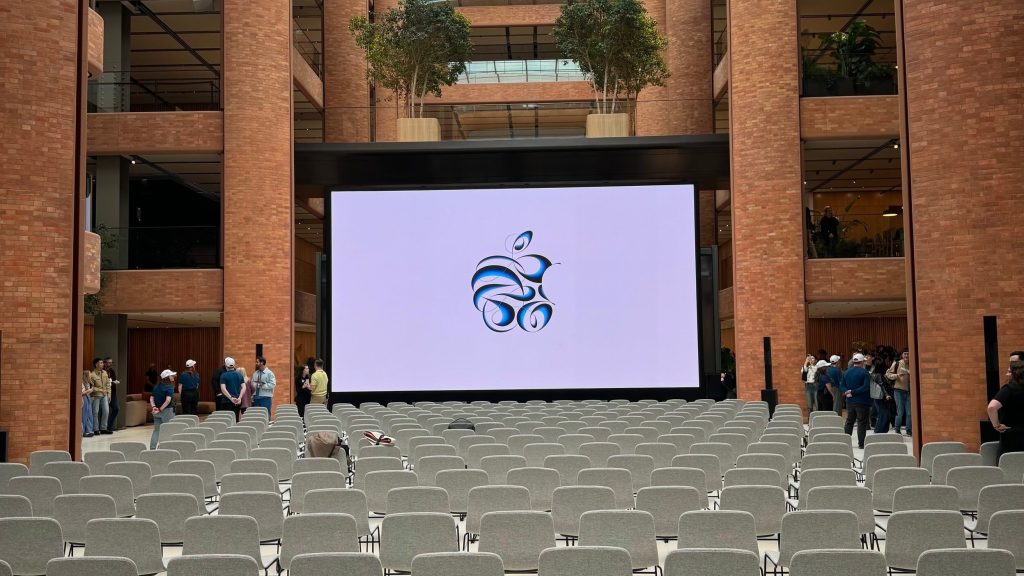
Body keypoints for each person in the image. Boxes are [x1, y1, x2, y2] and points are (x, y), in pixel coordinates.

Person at [989, 357, 1024, 456]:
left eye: (1009, 372)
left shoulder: (1009, 389)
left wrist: (996, 425)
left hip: (1012, 438)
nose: (1006, 374)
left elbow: (991, 407)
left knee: (1008, 464)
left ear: (1016, 374)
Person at [842, 353, 872, 449]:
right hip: (862, 401)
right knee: (861, 422)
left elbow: (842, 385)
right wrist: (853, 392)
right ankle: (861, 444)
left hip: (850, 401)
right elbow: (866, 387)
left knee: (849, 421)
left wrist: (847, 391)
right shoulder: (865, 373)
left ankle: (845, 443)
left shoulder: (846, 372)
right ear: (862, 362)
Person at [887, 348, 912, 435]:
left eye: (908, 353)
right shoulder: (897, 363)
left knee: (909, 412)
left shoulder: (912, 363)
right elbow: (888, 374)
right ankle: (897, 429)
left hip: (909, 391)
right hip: (898, 390)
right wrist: (897, 375)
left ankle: (909, 430)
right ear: (902, 355)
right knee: (900, 411)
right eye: (905, 354)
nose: (906, 355)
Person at [150, 369, 177, 449]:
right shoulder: (169, 387)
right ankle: (164, 448)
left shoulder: (156, 387)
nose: (173, 377)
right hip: (167, 411)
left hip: (156, 412)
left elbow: (151, 398)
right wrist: (160, 409)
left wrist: (154, 407)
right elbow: (168, 400)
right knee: (168, 430)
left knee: (156, 430)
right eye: (171, 375)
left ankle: (152, 448)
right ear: (167, 377)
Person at [869, 356, 894, 433]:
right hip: (882, 397)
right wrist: (887, 395)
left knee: (882, 414)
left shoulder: (873, 374)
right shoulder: (879, 375)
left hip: (877, 397)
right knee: (884, 414)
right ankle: (879, 430)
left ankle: (881, 430)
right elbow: (882, 385)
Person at [88, 357, 111, 435]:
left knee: (106, 411)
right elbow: (91, 387)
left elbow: (108, 384)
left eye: (102, 363)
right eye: (101, 363)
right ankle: (96, 429)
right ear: (96, 364)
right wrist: (100, 390)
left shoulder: (105, 373)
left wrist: (109, 394)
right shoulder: (92, 375)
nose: (103, 364)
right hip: (96, 396)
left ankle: (103, 428)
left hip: (105, 395)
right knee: (95, 412)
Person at [105, 357, 120, 433]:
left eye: (111, 362)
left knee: (116, 408)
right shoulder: (103, 371)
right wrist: (111, 382)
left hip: (113, 392)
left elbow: (113, 380)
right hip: (105, 392)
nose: (110, 364)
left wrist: (114, 382)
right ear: (105, 363)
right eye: (109, 362)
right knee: (105, 410)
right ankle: (104, 427)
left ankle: (109, 425)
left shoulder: (112, 371)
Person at [80, 370, 94, 438]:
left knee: (89, 414)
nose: (91, 376)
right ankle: (84, 431)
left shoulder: (88, 382)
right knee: (84, 415)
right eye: (89, 374)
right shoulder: (81, 383)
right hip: (84, 398)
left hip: (88, 398)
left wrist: (90, 391)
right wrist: (88, 391)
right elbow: (81, 393)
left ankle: (89, 430)